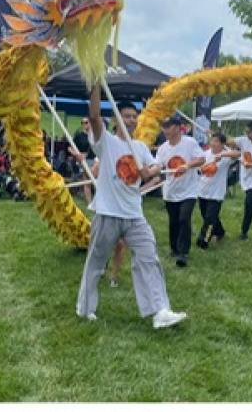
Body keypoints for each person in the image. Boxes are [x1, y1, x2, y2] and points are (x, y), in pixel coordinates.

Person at [76, 87, 186, 329]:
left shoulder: (140, 148)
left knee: (149, 258)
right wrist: (95, 85)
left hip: (134, 215)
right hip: (107, 214)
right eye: (126, 116)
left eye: (134, 116)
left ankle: (160, 311)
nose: (131, 120)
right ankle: (85, 308)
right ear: (116, 119)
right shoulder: (106, 141)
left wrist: (151, 171)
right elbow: (94, 117)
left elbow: (155, 167)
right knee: (96, 263)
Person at [155, 116, 206, 267]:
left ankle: (183, 253)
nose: (165, 130)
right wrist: (152, 171)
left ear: (178, 127)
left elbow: (202, 159)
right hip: (170, 191)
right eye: (163, 127)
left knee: (184, 219)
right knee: (174, 221)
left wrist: (188, 165)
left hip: (189, 190)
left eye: (168, 126)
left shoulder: (189, 143)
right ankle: (174, 248)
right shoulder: (163, 148)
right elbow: (158, 165)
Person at [196, 131, 234, 249]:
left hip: (216, 193)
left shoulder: (226, 156)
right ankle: (220, 232)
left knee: (210, 219)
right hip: (202, 191)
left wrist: (222, 155)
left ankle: (204, 241)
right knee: (206, 215)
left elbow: (238, 153)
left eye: (217, 141)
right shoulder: (205, 154)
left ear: (223, 144)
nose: (213, 143)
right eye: (212, 140)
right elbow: (198, 168)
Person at [71, 116, 97, 204]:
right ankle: (90, 203)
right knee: (87, 181)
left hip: (95, 160)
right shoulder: (79, 135)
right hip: (84, 161)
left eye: (86, 122)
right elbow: (70, 148)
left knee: (97, 181)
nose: (84, 124)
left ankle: (98, 201)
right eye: (83, 122)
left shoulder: (95, 135)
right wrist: (77, 154)